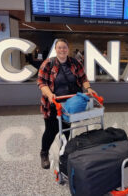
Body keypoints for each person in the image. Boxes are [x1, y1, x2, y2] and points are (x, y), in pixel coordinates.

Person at [37, 38, 97, 169]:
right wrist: (49, 95)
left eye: (64, 47)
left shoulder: (75, 63)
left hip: (70, 105)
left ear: (68, 49)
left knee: (66, 130)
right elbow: (41, 82)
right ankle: (44, 153)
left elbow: (83, 78)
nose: (62, 50)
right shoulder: (48, 64)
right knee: (51, 131)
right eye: (59, 47)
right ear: (56, 49)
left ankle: (64, 154)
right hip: (53, 105)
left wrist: (88, 88)